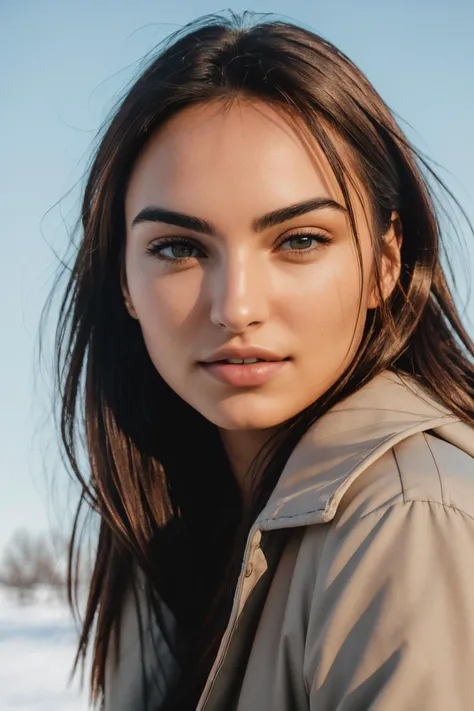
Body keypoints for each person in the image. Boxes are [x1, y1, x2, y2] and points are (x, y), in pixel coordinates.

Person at [48, 9, 474, 711]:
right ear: (123, 278)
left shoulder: (408, 522)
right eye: (180, 248)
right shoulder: (165, 524)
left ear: (386, 263)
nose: (236, 306)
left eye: (300, 240)